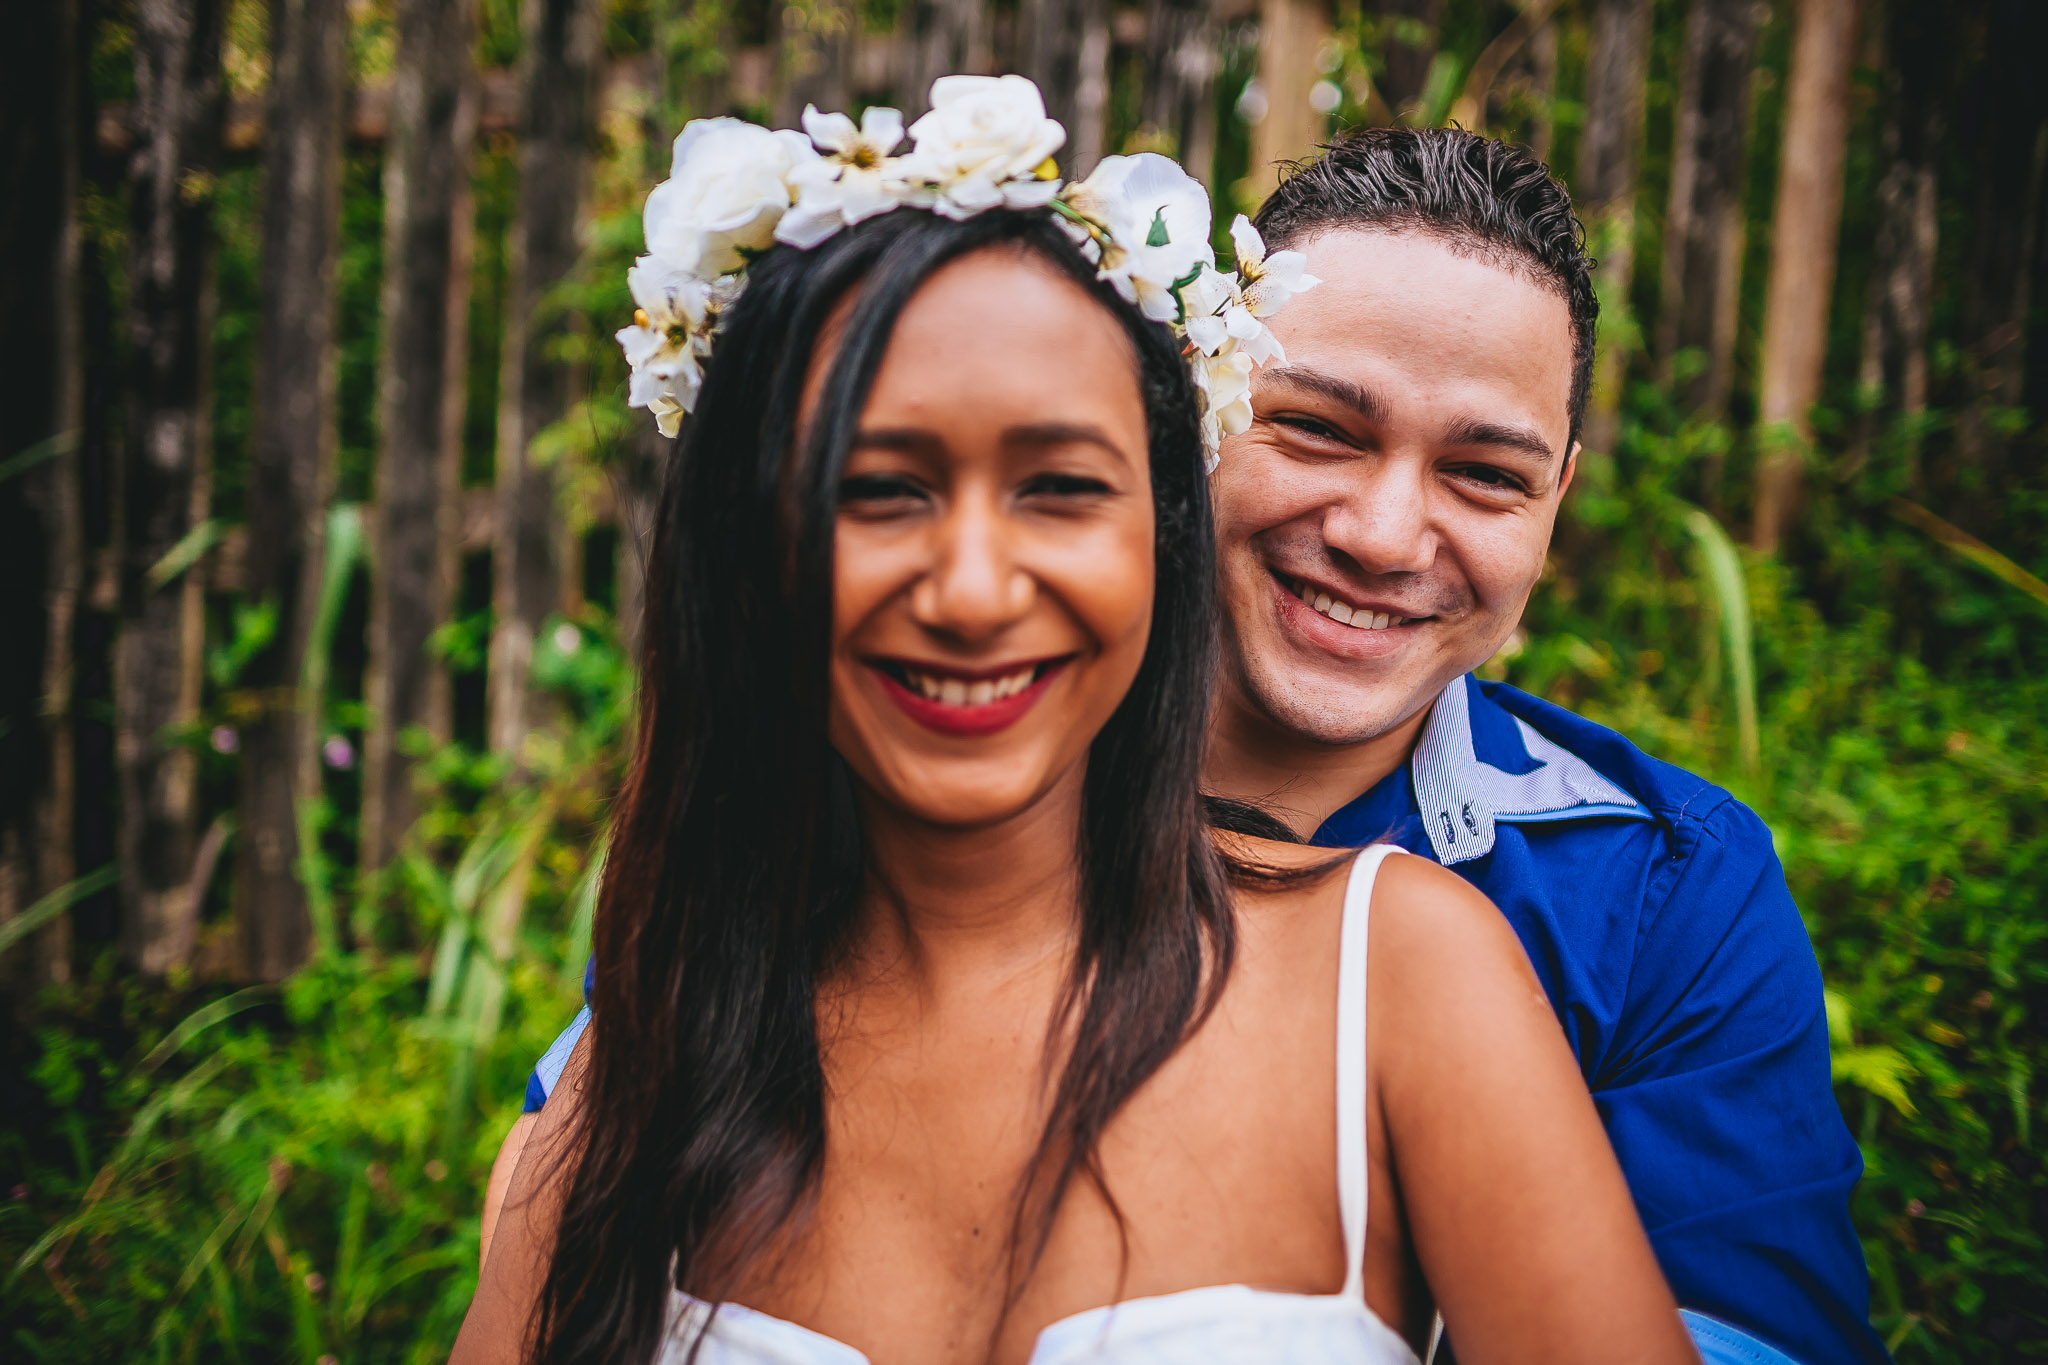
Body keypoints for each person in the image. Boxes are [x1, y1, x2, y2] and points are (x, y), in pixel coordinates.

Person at [457, 80, 1696, 1365]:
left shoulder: (1409, 978)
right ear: (747, 546)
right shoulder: (640, 1068)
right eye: (878, 488)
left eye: (1059, 487)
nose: (975, 590)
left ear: (1159, 526)